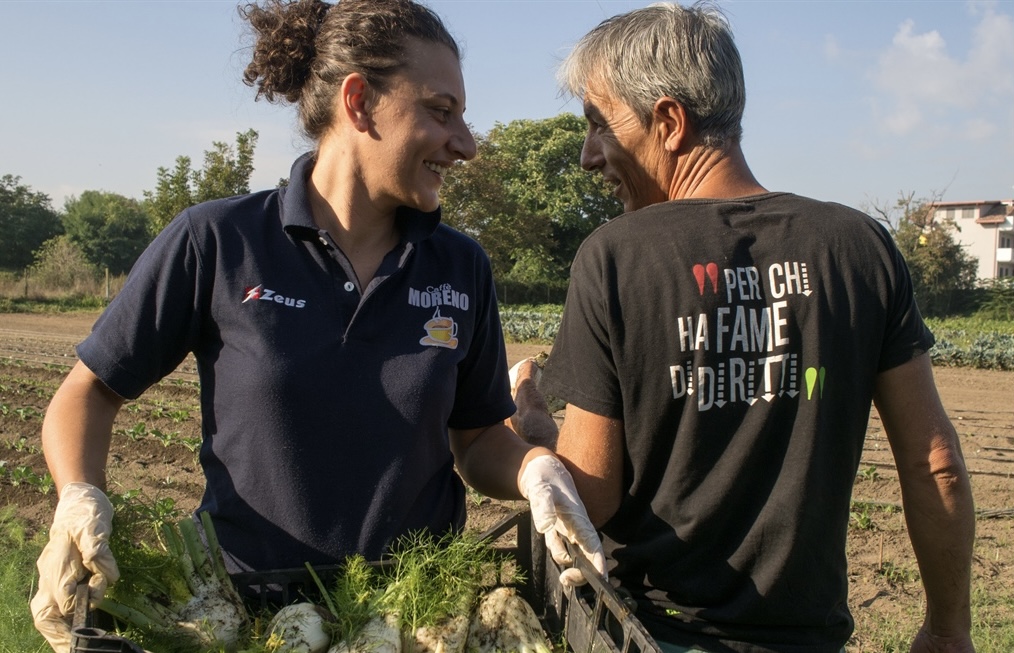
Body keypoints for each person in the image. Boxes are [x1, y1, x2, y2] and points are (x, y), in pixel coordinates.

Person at [28, 1, 604, 651]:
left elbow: (476, 439)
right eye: (441, 111)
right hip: (240, 619)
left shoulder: (459, 265)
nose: (466, 143)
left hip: (415, 620)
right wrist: (77, 494)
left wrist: (532, 468)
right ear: (359, 103)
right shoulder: (219, 241)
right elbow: (89, 392)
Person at [510, 3, 977, 652]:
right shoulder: (859, 247)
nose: (590, 155)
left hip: (657, 634)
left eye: (598, 124)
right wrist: (949, 628)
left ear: (669, 121)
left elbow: (592, 492)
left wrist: (532, 430)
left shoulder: (616, 257)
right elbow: (939, 462)